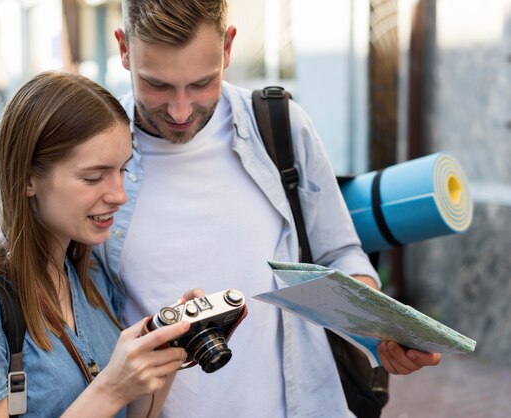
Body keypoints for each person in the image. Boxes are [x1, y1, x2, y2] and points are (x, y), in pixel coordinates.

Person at [90, 1, 443, 417]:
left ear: (227, 47)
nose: (180, 110)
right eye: (158, 86)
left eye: (202, 83)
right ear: (124, 49)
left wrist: (379, 327)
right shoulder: (92, 152)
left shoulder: (280, 125)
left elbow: (339, 253)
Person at [0, 71, 197, 418]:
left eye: (123, 170)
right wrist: (111, 388)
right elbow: (109, 396)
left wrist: (167, 350)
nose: (119, 195)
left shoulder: (91, 276)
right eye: (93, 177)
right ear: (27, 180)